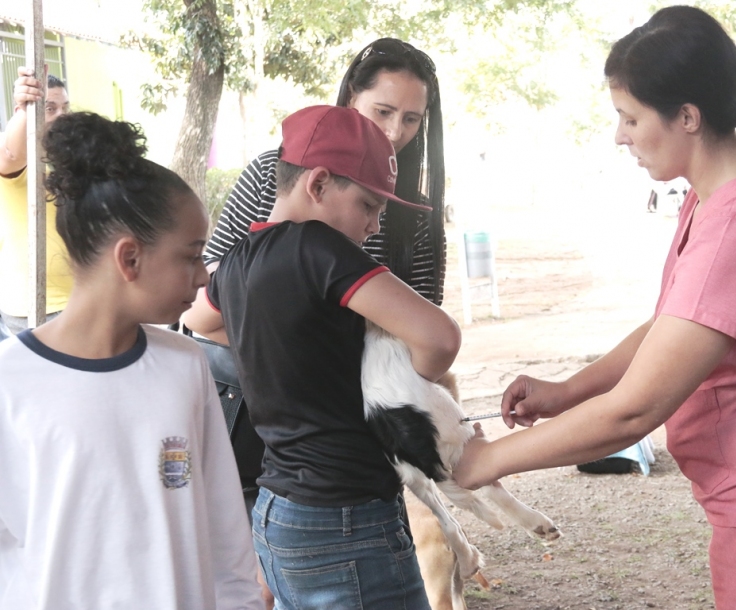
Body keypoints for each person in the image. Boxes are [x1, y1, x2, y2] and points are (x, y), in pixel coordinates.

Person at [453, 6, 736, 610]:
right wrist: (567, 390)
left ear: (688, 116)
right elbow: (676, 324)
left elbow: (632, 415)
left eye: (630, 117)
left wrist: (484, 462)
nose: (619, 135)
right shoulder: (716, 193)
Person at [184, 105, 461, 609]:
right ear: (318, 184)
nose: (376, 226)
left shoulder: (240, 258)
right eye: (368, 205)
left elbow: (200, 321)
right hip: (344, 514)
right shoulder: (320, 248)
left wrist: (282, 346)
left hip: (278, 509)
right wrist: (398, 382)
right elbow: (440, 339)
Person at [0, 112, 263, 609]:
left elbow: (227, 541)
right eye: (192, 256)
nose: (205, 277)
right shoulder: (8, 382)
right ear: (130, 259)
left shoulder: (185, 366)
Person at [200, 36, 445, 516]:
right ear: (351, 97)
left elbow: (425, 321)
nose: (396, 132)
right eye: (383, 111)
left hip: (356, 413)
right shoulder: (278, 172)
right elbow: (217, 278)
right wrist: (287, 349)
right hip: (254, 396)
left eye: (411, 118)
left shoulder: (410, 210)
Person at [0, 67, 74, 334]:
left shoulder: (66, 159)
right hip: (38, 308)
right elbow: (10, 154)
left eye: (65, 107)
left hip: (78, 299)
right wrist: (23, 108)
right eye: (49, 108)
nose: (61, 116)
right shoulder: (18, 155)